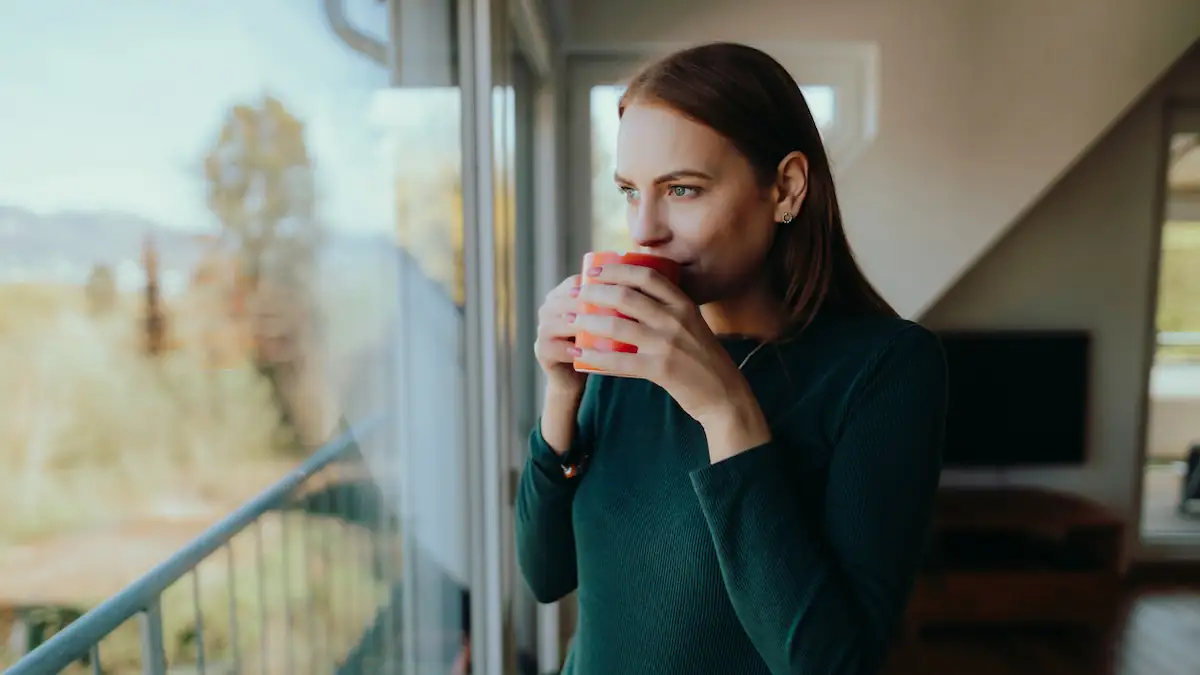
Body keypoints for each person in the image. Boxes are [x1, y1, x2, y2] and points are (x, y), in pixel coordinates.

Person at [516, 42, 948, 675]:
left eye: (682, 189)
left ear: (786, 188)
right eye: (630, 191)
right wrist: (561, 394)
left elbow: (830, 665)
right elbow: (546, 574)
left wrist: (726, 412)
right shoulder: (626, 349)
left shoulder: (886, 370)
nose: (644, 229)